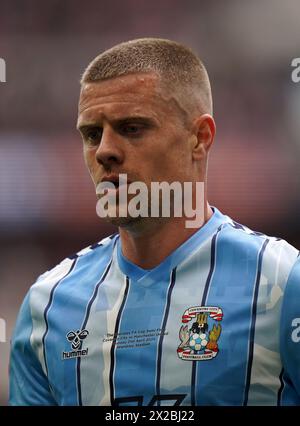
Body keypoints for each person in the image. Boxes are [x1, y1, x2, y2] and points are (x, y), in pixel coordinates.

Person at [9, 38, 300, 406]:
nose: (105, 151)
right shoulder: (47, 307)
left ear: (200, 137)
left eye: (132, 128)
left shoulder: (282, 282)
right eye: (92, 134)